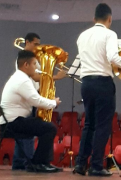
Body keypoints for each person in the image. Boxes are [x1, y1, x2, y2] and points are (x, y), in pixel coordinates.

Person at [73, 3, 121, 177]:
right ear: (109, 19)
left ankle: (80, 164)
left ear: (94, 18)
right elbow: (112, 56)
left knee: (88, 124)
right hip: (103, 82)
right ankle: (96, 165)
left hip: (86, 82)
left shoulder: (82, 35)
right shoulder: (109, 33)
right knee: (102, 125)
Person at [0, 50, 61, 172]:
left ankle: (43, 162)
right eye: (34, 64)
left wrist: (48, 100)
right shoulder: (22, 80)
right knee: (49, 128)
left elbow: (35, 96)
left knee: (45, 126)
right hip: (12, 123)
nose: (36, 67)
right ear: (26, 65)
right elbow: (36, 100)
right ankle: (38, 163)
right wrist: (53, 103)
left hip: (14, 120)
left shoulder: (22, 78)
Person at [12, 33, 66, 170]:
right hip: (27, 101)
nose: (38, 47)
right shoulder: (23, 59)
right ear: (28, 42)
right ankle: (27, 163)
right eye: (35, 44)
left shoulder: (34, 59)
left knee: (29, 134)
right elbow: (36, 77)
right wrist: (56, 77)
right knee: (28, 135)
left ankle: (27, 163)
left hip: (33, 95)